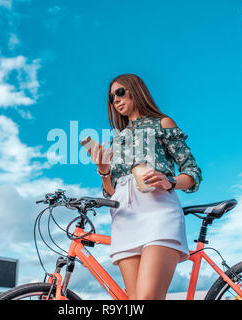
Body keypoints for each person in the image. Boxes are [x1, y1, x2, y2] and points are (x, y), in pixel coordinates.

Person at [88, 73, 202, 300]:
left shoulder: (162, 123)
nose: (116, 100)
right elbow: (112, 193)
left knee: (147, 298)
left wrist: (169, 181)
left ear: (136, 90)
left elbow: (193, 173)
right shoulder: (115, 139)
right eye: (111, 98)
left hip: (158, 213)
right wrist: (103, 171)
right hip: (124, 219)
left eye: (120, 92)